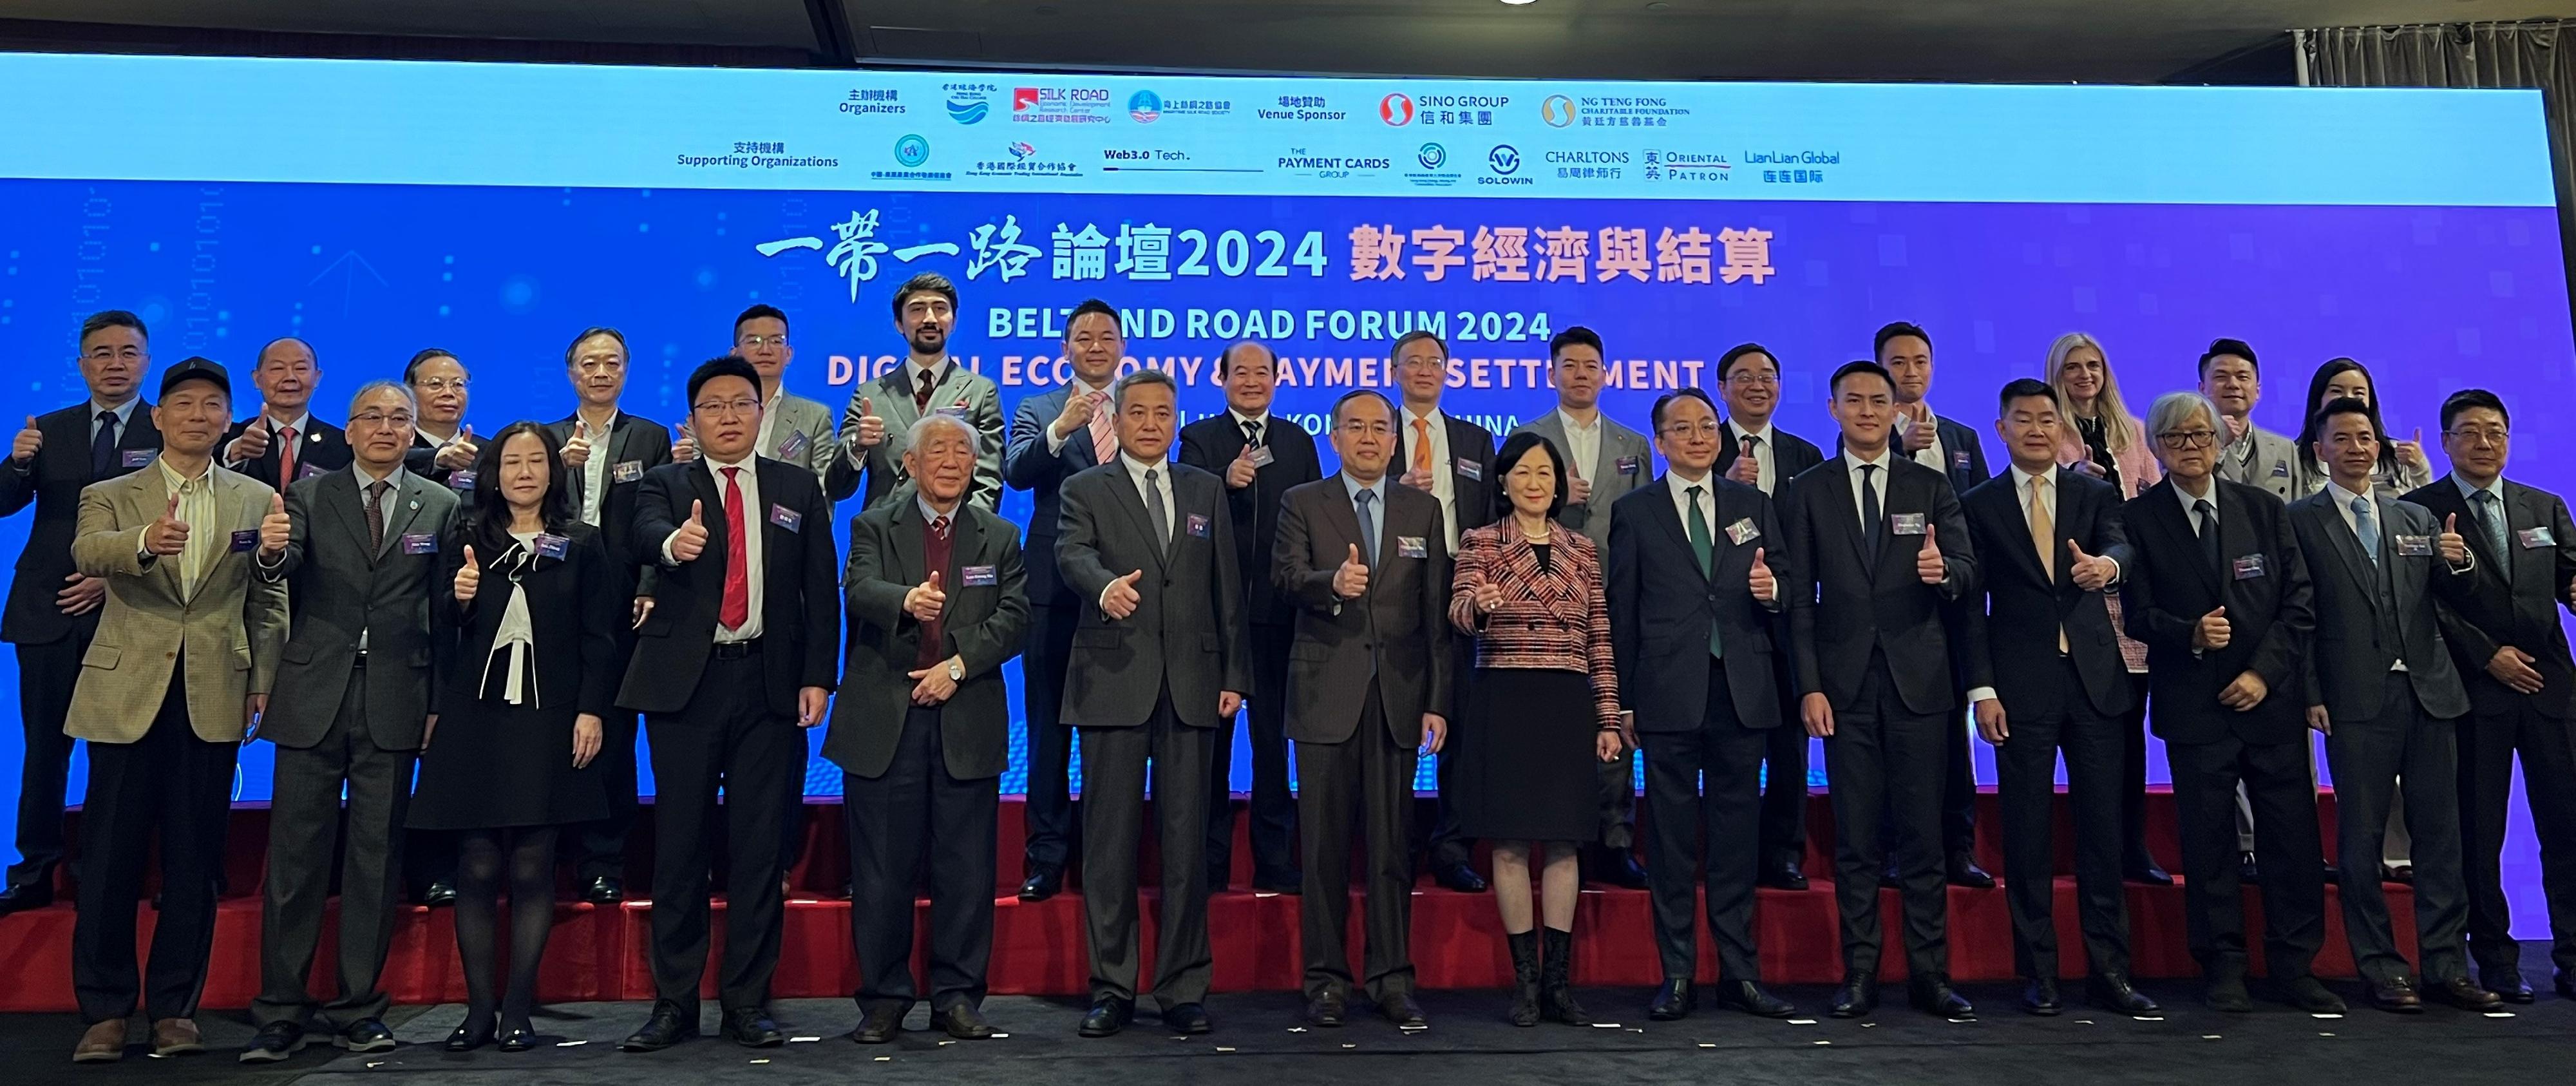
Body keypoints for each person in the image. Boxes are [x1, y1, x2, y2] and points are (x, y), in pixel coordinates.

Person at [65, 357, 289, 1063]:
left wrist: (264, 677)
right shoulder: (111, 492)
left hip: (214, 689)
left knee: (196, 859)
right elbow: (87, 549)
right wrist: (142, 545)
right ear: (158, 418)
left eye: (211, 405)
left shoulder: (256, 498)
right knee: (108, 859)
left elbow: (267, 596)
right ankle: (104, 1011)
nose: (198, 415)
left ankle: (174, 1010)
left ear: (228, 419)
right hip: (125, 694)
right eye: (183, 404)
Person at [615, 356, 840, 1053]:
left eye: (741, 404)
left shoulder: (796, 487)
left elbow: (819, 589)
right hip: (687, 686)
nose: (729, 417)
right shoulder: (664, 482)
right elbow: (642, 534)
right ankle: (674, 1003)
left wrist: (817, 678)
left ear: (759, 412)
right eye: (713, 406)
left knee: (756, 848)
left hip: (767, 685)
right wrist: (675, 546)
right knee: (679, 847)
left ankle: (747, 999)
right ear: (692, 419)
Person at [242, 381, 460, 1062]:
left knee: (376, 857)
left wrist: (437, 705)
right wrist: (271, 552)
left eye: (402, 418)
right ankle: (280, 1008)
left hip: (397, 694)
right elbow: (283, 572)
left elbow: (446, 616)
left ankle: (358, 1006)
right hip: (314, 692)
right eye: (375, 418)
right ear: (350, 427)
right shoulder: (309, 495)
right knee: (296, 859)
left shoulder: (444, 504)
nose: (389, 429)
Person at [2119, 390, 2342, 1015]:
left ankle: (2295, 964)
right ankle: (2222, 965)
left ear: (2219, 443)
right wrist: (2187, 633)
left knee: (2291, 839)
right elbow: (2136, 615)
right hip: (2195, 708)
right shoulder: (2138, 520)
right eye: (2175, 439)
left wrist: (2264, 675)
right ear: (2157, 449)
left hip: (2269, 705)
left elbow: (2299, 605)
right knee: (2209, 844)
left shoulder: (2266, 511)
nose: (2190, 448)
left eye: (2200, 436)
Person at [406, 422, 618, 1051]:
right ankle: (477, 1011)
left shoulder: (582, 543)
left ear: (554, 471)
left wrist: (592, 711)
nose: (524, 472)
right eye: (511, 462)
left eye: (536, 461)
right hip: (476, 717)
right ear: (493, 474)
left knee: (532, 863)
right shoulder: (467, 537)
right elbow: (441, 630)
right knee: (475, 863)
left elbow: (600, 638)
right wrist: (461, 598)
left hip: (550, 716)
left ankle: (518, 1010)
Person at [1054, 368, 1249, 1038]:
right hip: (1113, 681)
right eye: (1137, 412)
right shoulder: (1086, 488)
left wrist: (1235, 674)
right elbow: (1069, 553)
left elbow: (1227, 587)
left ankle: (1182, 985)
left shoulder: (1204, 490)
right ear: (1119, 418)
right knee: (1108, 845)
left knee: (1185, 841)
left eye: (1162, 413)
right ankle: (1111, 987)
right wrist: (1104, 587)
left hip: (1193, 687)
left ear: (1175, 419)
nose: (1150, 423)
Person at [1783, 359, 1976, 1020]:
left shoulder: (1929, 486)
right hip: (1842, 690)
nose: (1867, 411)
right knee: (1857, 839)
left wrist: (1941, 569)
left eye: (1878, 401)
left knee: (1922, 838)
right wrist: (1808, 686)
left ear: (1896, 411)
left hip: (1919, 684)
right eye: (1854, 400)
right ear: (1832, 408)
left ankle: (1931, 976)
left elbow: (1968, 572)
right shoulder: (1809, 490)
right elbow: (1799, 604)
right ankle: (1860, 974)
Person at [2287, 397, 2494, 1013]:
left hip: (2430, 692)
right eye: (2343, 438)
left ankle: (2445, 966)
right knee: (2361, 842)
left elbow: (2454, 597)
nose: (2357, 448)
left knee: (2441, 838)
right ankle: (2382, 968)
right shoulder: (2299, 521)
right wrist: (2312, 693)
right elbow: (2299, 617)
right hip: (2353, 700)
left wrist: (2461, 565)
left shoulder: (2416, 517)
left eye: (2366, 437)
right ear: (2320, 450)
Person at [1958, 379, 2159, 1017]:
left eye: (2048, 419)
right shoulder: (1979, 504)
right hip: (2018, 689)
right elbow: (1968, 608)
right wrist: (1983, 690)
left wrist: (2108, 569)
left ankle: (2110, 973)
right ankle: (2038, 973)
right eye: (2024, 420)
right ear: (2002, 430)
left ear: (2062, 428)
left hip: (2097, 685)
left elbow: (2124, 541)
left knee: (2102, 831)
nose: (2038, 429)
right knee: (2026, 832)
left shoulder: (2092, 492)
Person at [831, 413, 1028, 1043]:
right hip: (886, 716)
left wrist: (959, 664)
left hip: (963, 712)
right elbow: (858, 587)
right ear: (909, 465)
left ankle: (958, 996)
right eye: (935, 450)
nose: (950, 460)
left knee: (966, 870)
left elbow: (1017, 614)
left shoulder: (997, 535)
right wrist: (905, 601)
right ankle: (884, 998)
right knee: (883, 870)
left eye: (961, 452)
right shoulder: (871, 525)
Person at [1609, 387, 1797, 1022]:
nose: (1696, 437)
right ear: (1658, 442)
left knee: (1736, 841)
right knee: (1669, 843)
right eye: (1679, 428)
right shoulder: (1636, 512)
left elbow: (1789, 586)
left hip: (1742, 690)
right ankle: (1679, 974)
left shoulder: (1753, 504)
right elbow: (1623, 611)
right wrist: (1625, 701)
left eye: (1704, 427)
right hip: (1666, 693)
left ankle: (1741, 974)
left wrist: (1774, 592)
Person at [1273, 390, 1450, 1029]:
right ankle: (1324, 980)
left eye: (1380, 428)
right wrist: (1331, 586)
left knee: (1390, 848)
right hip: (1325, 694)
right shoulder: (1302, 502)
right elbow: (1284, 578)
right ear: (1335, 436)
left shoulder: (1422, 509)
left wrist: (1436, 701)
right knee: (1321, 849)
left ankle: (1391, 976)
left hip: (1398, 699)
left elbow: (1434, 617)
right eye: (1357, 428)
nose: (1369, 439)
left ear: (1395, 440)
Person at [2403, 389, 2576, 1001]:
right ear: (2446, 441)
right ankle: (2497, 962)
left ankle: (2573, 958)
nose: (2485, 443)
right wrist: (2486, 655)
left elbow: (2569, 577)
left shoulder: (2543, 505)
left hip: (2551, 685)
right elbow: (2420, 604)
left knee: (2567, 825)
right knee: (2480, 831)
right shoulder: (2419, 510)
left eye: (2497, 432)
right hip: (2474, 689)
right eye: (2471, 432)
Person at [1448, 431, 1624, 1027]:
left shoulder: (1581, 549)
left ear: (1558, 484)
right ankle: (1524, 982)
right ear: (1503, 482)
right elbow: (1459, 612)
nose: (1534, 484)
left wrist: (1607, 716)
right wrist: (1481, 605)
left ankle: (1558, 982)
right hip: (1507, 696)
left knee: (1564, 841)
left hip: (1566, 699)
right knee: (1510, 842)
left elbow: (1599, 636)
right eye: (1522, 473)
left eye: (1544, 474)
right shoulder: (1481, 542)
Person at [0, 310, 161, 919]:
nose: (114, 364)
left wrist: (109, 578)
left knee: (116, 752)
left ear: (146, 361)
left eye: (127, 352)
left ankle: (104, 868)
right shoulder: (49, 428)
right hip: (47, 611)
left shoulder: (167, 428)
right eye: (101, 353)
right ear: (82, 364)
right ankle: (36, 869)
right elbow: (4, 503)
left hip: (130, 610)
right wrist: (17, 463)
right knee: (43, 749)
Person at [1512, 326, 1653, 889]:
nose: (1581, 375)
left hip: (1616, 597)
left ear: (1605, 373)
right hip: (1545, 598)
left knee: (1613, 715)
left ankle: (1615, 840)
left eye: (1591, 366)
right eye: (1569, 366)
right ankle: (1551, 830)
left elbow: (1644, 522)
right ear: (1552, 374)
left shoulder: (1633, 444)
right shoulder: (1529, 436)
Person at [1179, 340, 1320, 895]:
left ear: (1278, 380)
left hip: (1281, 617)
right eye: (1242, 372)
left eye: (1263, 373)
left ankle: (1275, 861)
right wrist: (1222, 478)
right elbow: (1182, 509)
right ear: (1222, 379)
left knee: (1273, 745)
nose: (1253, 381)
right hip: (1215, 620)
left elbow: (1317, 516)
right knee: (1211, 747)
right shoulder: (1199, 439)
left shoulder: (1295, 441)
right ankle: (1210, 863)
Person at [542, 327, 677, 906]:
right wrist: (554, 468)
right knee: (550, 731)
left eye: (612, 363)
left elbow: (660, 517)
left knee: (614, 734)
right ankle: (545, 855)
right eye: (589, 364)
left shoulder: (649, 436)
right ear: (571, 372)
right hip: (551, 602)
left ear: (626, 370)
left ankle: (604, 860)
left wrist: (650, 584)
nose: (601, 373)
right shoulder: (544, 437)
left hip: (622, 600)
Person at [999, 298, 1124, 901]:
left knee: (1113, 731)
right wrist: (1063, 427)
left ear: (1122, 347)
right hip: (1051, 589)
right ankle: (1046, 856)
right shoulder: (1038, 408)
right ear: (1066, 349)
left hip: (1126, 591)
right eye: (1083, 337)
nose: (1095, 346)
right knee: (1049, 728)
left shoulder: (1142, 407)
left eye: (1106, 336)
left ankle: (1106, 852)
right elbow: (1017, 473)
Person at [2042, 332, 2172, 886]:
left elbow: (2156, 499)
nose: (2085, 375)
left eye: (2093, 365)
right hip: (2080, 605)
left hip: (2135, 596)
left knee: (2130, 733)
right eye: (2073, 367)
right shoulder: (2048, 432)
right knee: (2089, 736)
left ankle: (2133, 846)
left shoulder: (2137, 432)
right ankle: (2095, 847)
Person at [1873, 321, 1991, 890]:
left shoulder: (1963, 437)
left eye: (1920, 361)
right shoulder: (1868, 438)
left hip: (1956, 599)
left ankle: (1959, 847)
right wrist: (1900, 451)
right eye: (1898, 363)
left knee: (1956, 737)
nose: (1910, 372)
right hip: (1895, 610)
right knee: (1901, 742)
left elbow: (1985, 515)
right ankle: (1899, 847)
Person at [1711, 342, 1826, 892]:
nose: (1757, 385)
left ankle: (1784, 851)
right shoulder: (1702, 449)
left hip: (1789, 622)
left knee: (1789, 746)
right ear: (1722, 389)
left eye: (1767, 377)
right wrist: (1729, 485)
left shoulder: (1806, 456)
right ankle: (1723, 851)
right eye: (1743, 377)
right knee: (1727, 749)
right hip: (1723, 625)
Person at [1390, 330, 1499, 894]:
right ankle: (1396, 846)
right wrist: (1395, 489)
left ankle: (1452, 848)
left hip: (1459, 592)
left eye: (1435, 362)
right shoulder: (1377, 433)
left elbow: (1491, 519)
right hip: (1393, 591)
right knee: (1399, 722)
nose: (1425, 371)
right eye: (1414, 362)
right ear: (1395, 371)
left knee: (1459, 722)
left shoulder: (1475, 440)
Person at [828, 272, 1003, 512]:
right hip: (882, 535)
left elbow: (988, 482)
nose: (930, 319)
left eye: (940, 309)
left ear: (953, 321)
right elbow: (837, 487)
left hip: (954, 535)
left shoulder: (981, 391)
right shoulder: (870, 393)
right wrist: (857, 446)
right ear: (899, 323)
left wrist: (971, 536)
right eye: (917, 310)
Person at [2293, 359, 2436, 499]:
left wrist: (2419, 468)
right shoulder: (2295, 457)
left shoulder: (2396, 453)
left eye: (2359, 393)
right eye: (2337, 391)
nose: (2349, 398)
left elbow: (2419, 510)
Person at [221, 338, 350, 492]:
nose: (290, 378)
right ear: (257, 379)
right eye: (277, 369)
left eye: (301, 368)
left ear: (317, 378)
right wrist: (236, 452)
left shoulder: (343, 445)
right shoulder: (230, 438)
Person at [735, 304, 839, 481]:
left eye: (776, 341)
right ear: (734, 354)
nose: (765, 350)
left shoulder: (815, 417)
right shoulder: (711, 411)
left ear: (789, 354)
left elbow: (822, 489)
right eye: (754, 341)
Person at [2201, 338, 2297, 502]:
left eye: (2243, 377)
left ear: (2258, 390)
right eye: (2221, 376)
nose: (2233, 384)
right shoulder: (2187, 444)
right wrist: (2217, 446)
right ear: (2202, 389)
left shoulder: (2285, 448)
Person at [402, 349, 477, 490]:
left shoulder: (490, 455)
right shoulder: (393, 450)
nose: (448, 393)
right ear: (409, 392)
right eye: (436, 384)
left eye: (458, 384)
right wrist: (439, 457)